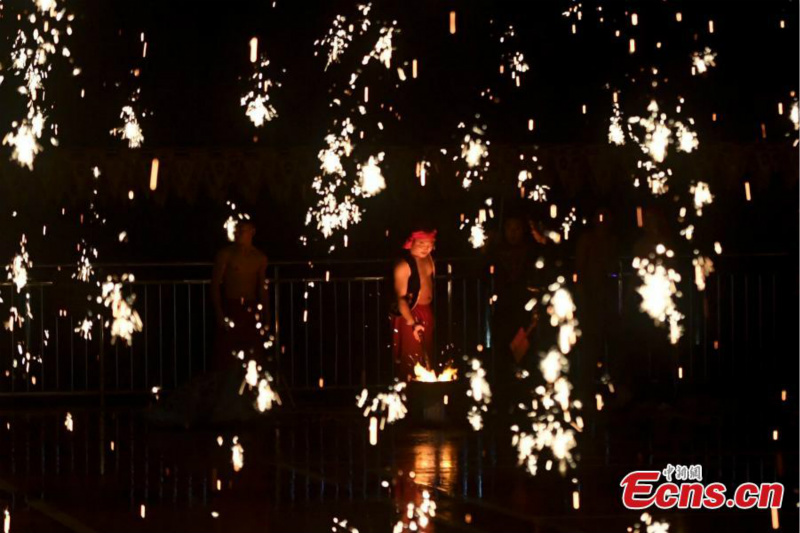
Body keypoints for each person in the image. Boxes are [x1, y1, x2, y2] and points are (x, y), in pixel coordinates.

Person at [211, 220, 270, 370]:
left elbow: (262, 288)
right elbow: (215, 285)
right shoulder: (226, 254)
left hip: (250, 308)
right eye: (237, 230)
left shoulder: (259, 257)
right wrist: (219, 312)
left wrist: (266, 315)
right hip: (231, 306)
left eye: (242, 230)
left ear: (252, 232)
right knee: (228, 354)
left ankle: (250, 389)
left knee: (253, 352)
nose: (237, 234)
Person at [391, 229, 437, 381]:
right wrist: (412, 322)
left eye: (429, 244)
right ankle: (408, 394)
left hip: (427, 312)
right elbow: (401, 299)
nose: (425, 247)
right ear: (411, 243)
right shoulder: (403, 265)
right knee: (411, 359)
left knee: (427, 356)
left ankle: (426, 394)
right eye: (421, 243)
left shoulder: (428, 258)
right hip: (410, 314)